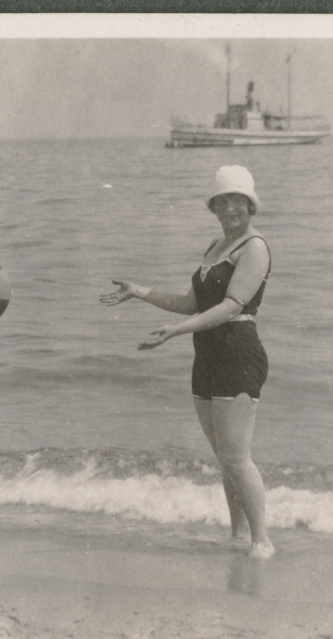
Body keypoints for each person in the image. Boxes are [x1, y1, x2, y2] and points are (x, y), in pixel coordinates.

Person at [101, 165, 275, 559]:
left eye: (237, 200)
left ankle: (262, 539)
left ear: (250, 205)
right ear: (214, 206)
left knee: (237, 456)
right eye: (222, 200)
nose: (229, 207)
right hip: (207, 354)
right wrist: (140, 292)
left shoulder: (255, 247)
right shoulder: (215, 246)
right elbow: (191, 304)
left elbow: (232, 307)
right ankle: (237, 535)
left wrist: (176, 332)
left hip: (238, 352)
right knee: (224, 457)